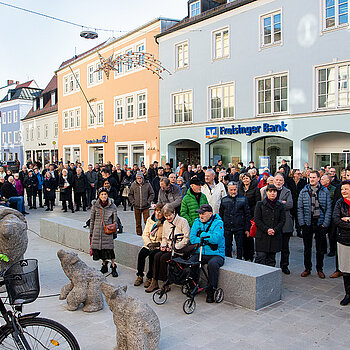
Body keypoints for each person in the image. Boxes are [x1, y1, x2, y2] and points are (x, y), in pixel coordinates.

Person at [145, 204, 190, 293]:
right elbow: (165, 237)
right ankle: (154, 281)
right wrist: (163, 245)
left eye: (169, 215)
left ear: (174, 212)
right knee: (156, 256)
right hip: (169, 247)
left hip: (179, 249)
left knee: (163, 258)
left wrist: (175, 247)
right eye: (166, 216)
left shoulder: (182, 221)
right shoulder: (166, 223)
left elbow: (186, 238)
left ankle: (166, 283)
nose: (168, 218)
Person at [298, 170, 332, 278]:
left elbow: (328, 209)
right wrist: (302, 223)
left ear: (318, 178)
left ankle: (319, 269)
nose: (312, 179)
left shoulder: (324, 191)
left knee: (320, 249)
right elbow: (300, 208)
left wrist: (325, 224)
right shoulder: (304, 191)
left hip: (320, 223)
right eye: (310, 177)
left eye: (314, 177)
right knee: (307, 248)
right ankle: (307, 268)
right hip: (307, 223)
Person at [189, 204, 225, 303]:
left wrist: (202, 235)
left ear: (210, 214)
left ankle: (211, 291)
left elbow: (216, 239)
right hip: (200, 252)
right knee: (191, 262)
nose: (201, 216)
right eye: (200, 213)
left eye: (203, 213)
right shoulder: (197, 222)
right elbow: (192, 238)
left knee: (212, 265)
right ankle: (193, 286)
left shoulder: (218, 223)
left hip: (216, 253)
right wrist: (206, 240)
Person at [262, 173, 293, 274]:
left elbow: (289, 204)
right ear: (273, 181)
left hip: (285, 224)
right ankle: (271, 266)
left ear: (283, 182)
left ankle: (284, 265)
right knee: (272, 246)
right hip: (272, 224)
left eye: (280, 180)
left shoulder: (287, 191)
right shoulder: (268, 191)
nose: (278, 182)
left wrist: (276, 202)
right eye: (277, 180)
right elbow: (265, 203)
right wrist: (281, 202)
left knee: (285, 248)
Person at [134, 204, 165, 288]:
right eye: (157, 212)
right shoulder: (150, 220)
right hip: (149, 244)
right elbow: (145, 234)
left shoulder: (164, 223)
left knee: (152, 256)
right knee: (141, 254)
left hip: (158, 245)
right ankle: (140, 275)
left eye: (160, 213)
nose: (158, 215)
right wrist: (148, 243)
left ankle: (149, 277)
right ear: (154, 212)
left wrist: (158, 244)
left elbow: (165, 237)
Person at [254, 185, 286, 267]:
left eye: (274, 191)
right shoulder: (260, 204)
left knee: (271, 260)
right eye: (270, 191)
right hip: (262, 236)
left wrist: (275, 230)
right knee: (260, 258)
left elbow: (282, 220)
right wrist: (267, 229)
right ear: (267, 192)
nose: (272, 193)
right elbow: (257, 220)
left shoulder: (280, 205)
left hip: (274, 236)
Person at [90, 187, 118, 277]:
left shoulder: (112, 206)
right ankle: (104, 265)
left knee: (110, 250)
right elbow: (92, 220)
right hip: (97, 231)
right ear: (99, 195)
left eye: (105, 194)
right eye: (102, 194)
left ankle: (113, 267)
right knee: (101, 250)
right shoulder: (95, 206)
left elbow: (115, 220)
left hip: (108, 231)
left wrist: (115, 233)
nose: (103, 196)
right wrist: (91, 232)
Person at [219, 182, 250, 259]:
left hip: (239, 227)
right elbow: (221, 214)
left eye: (235, 189)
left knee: (240, 246)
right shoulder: (224, 200)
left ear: (237, 189)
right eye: (231, 189)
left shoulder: (243, 199)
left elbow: (247, 214)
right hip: (227, 227)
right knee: (227, 246)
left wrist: (247, 228)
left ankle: (240, 261)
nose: (233, 191)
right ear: (228, 190)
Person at [333, 180, 350, 306]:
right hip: (344, 239)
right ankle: (348, 294)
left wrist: (348, 219)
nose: (343, 191)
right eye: (342, 189)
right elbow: (337, 220)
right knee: (345, 269)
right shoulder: (340, 203)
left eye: (346, 189)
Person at [238, 173, 261, 261]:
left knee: (250, 236)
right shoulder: (240, 189)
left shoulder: (255, 190)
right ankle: (244, 255)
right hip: (241, 215)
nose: (245, 180)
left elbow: (257, 203)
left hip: (251, 215)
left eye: (247, 178)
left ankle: (250, 255)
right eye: (244, 179)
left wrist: (253, 213)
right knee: (242, 235)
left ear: (250, 180)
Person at [128, 171, 155, 236]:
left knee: (147, 222)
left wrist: (148, 201)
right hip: (136, 206)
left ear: (143, 178)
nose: (139, 180)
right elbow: (130, 195)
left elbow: (152, 193)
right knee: (138, 223)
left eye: (140, 178)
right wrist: (133, 202)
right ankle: (139, 234)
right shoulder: (133, 185)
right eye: (138, 178)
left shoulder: (147, 184)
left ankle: (147, 234)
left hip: (145, 206)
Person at [287, 169, 307, 238]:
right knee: (291, 217)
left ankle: (298, 231)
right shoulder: (289, 181)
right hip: (292, 201)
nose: (299, 175)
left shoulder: (303, 182)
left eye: (300, 174)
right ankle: (290, 231)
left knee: (298, 217)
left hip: (299, 201)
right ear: (294, 174)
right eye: (298, 174)